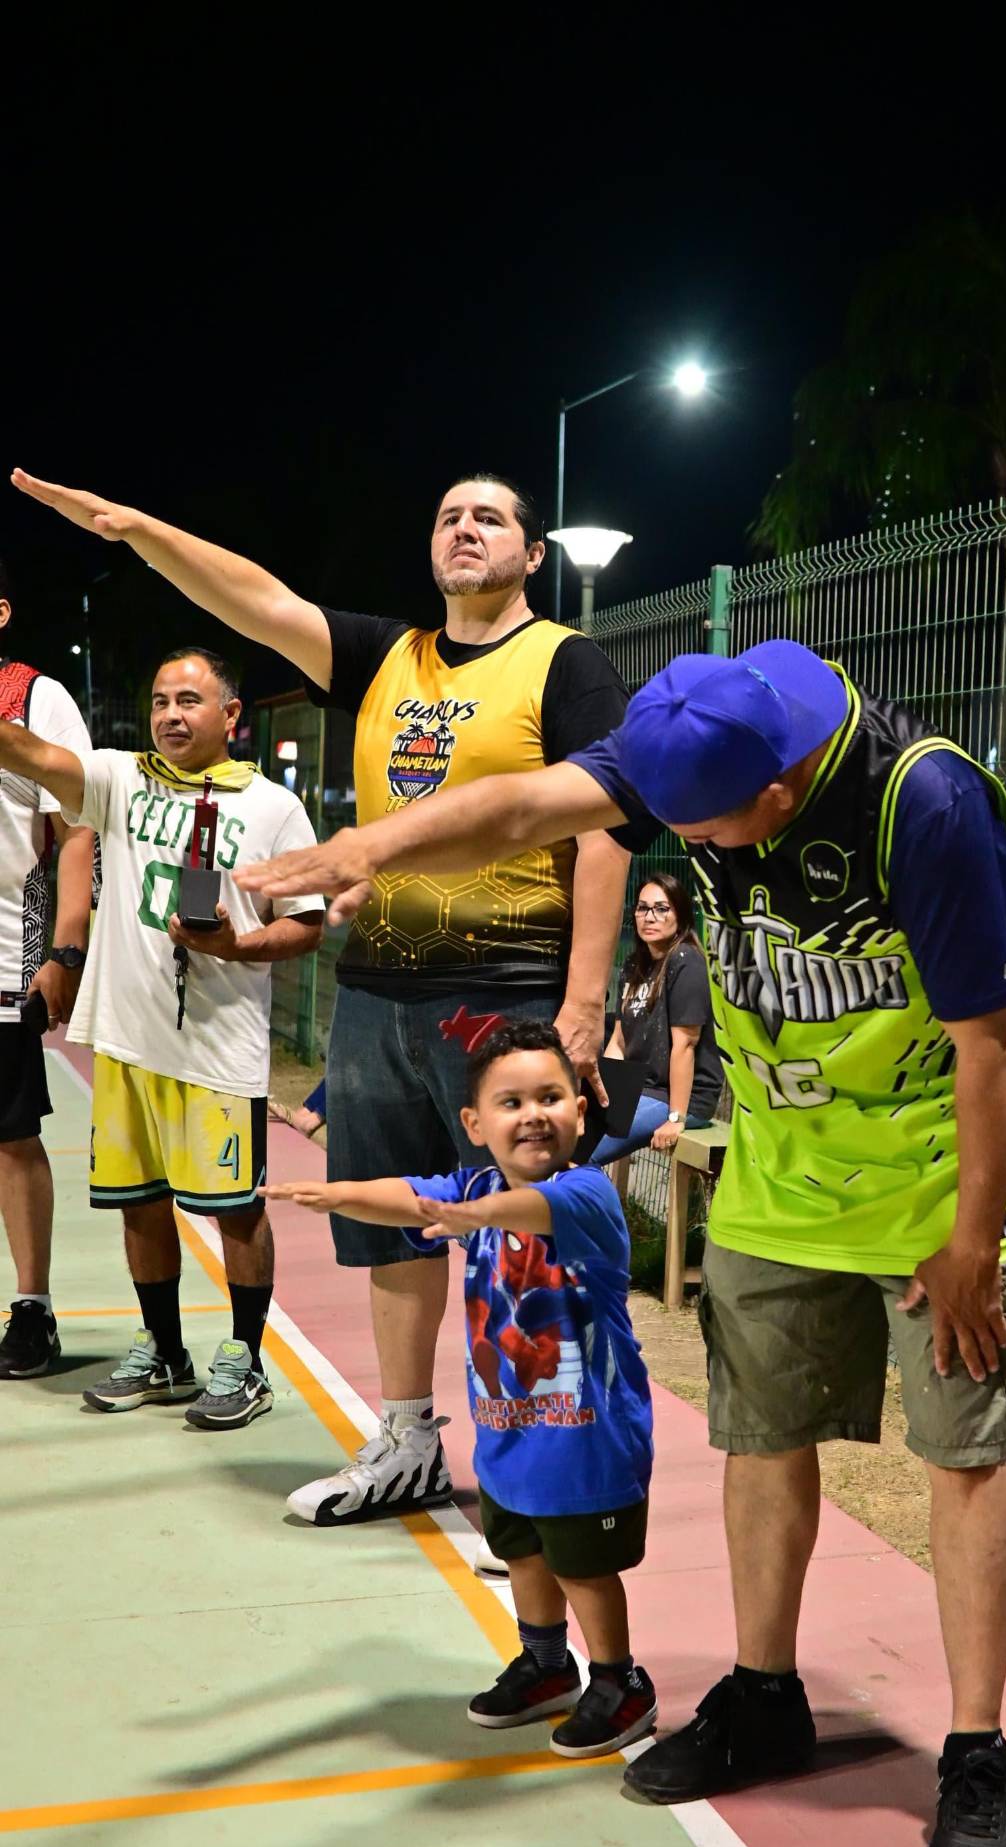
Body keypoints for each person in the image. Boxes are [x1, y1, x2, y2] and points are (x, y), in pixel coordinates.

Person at [233, 637, 1006, 1847]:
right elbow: (521, 801)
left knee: (964, 1452)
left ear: (775, 793)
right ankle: (764, 1695)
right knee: (761, 1437)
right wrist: (371, 848)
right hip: (783, 1173)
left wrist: (969, 1246)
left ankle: (977, 1750)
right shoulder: (701, 725)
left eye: (697, 827)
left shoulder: (919, 802)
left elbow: (988, 1046)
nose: (680, 843)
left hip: (937, 1180)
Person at [12, 469, 632, 1530]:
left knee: (522, 1237)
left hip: (505, 992)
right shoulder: (391, 656)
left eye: (489, 516)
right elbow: (253, 598)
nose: (464, 527)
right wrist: (134, 527)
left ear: (532, 552)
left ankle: (543, 1487)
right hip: (379, 990)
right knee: (392, 1232)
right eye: (446, 515)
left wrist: (582, 1001)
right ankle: (408, 1440)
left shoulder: (564, 664)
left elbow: (605, 827)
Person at [268, 1018, 657, 1757]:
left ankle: (619, 1680)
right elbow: (406, 1195)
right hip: (507, 1429)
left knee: (583, 1565)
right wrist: (333, 1192)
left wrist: (467, 1216)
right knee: (522, 1552)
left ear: (581, 1110)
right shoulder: (470, 1185)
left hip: (589, 1439)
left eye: (551, 1096)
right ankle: (547, 1663)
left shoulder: (585, 1196)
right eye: (511, 1103)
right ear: (475, 1124)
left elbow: (523, 1211)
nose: (534, 1113)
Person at [0, 644, 324, 1427]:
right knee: (139, 1206)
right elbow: (30, 750)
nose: (171, 716)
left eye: (188, 701)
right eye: (159, 702)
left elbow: (306, 925)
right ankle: (165, 1352)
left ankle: (244, 1359)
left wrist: (236, 947)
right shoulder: (116, 778)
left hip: (217, 1048)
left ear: (230, 715)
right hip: (127, 1039)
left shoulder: (273, 807)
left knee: (235, 1210)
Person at [0, 557, 97, 1380]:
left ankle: (30, 1308)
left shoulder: (36, 699)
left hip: (3, 951)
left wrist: (64, 948)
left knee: (9, 1137)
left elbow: (76, 830)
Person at [592, 871, 721, 1164]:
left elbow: (685, 1046)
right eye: (642, 907)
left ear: (681, 915)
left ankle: (598, 1209)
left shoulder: (686, 962)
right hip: (640, 1089)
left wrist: (677, 1117)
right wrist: (603, 1096)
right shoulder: (635, 964)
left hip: (679, 1098)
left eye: (661, 909)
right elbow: (619, 1041)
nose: (649, 917)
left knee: (585, 1153)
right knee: (565, 1143)